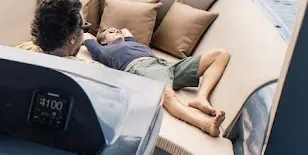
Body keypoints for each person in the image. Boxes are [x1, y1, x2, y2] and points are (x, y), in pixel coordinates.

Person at [19, 0, 206, 155]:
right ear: (73, 37)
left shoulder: (19, 51)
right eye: (83, 28)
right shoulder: (93, 73)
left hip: (28, 138)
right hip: (74, 148)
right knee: (135, 145)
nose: (85, 33)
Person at [86, 26, 231, 138]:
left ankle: (201, 97)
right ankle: (206, 124)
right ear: (103, 41)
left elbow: (125, 30)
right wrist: (100, 33)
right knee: (168, 95)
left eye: (117, 30)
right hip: (141, 68)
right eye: (111, 32)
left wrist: (117, 31)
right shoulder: (101, 50)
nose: (117, 31)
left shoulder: (131, 42)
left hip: (165, 65)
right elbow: (86, 36)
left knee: (220, 54)